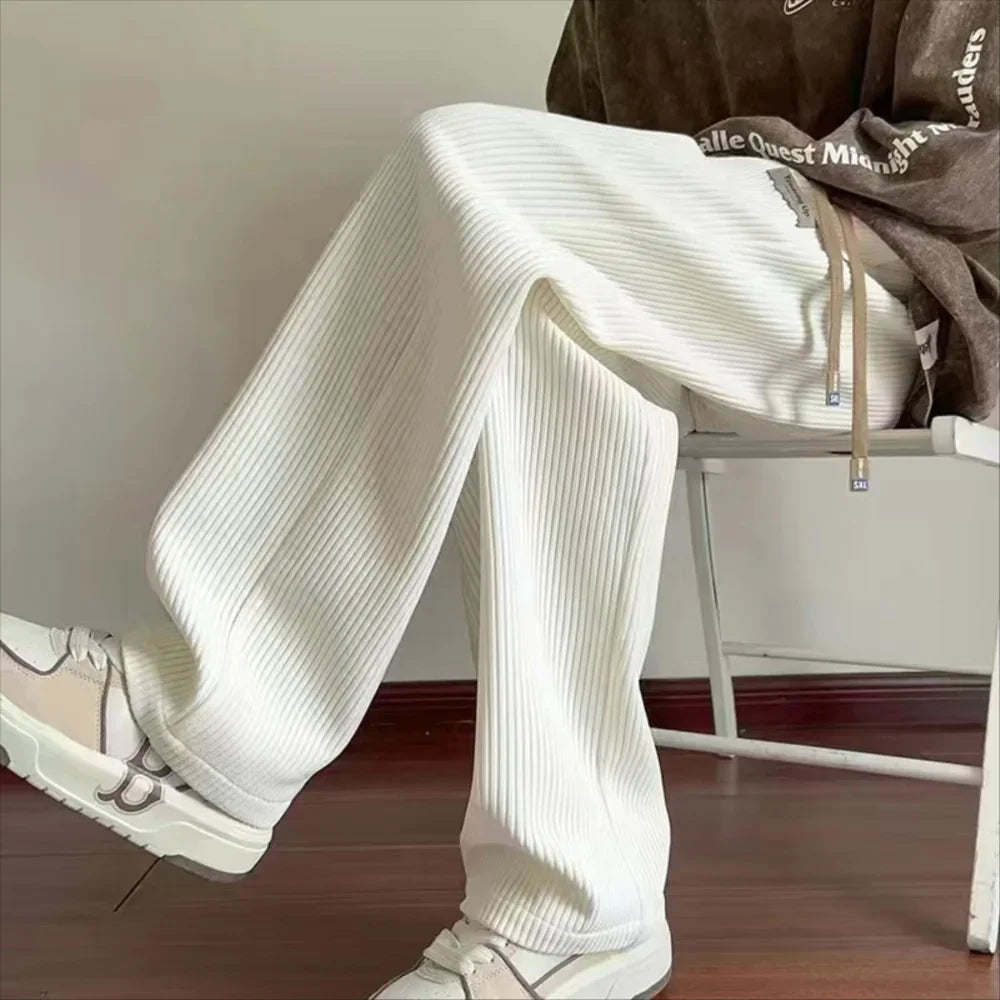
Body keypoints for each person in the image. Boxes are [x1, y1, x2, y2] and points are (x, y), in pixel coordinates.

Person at [1, 1, 996, 997]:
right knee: (535, 311)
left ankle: (208, 719)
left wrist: (740, 172)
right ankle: (573, 912)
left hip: (897, 292)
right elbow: (590, 141)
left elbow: (973, 158)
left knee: (464, 158)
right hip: (712, 281)